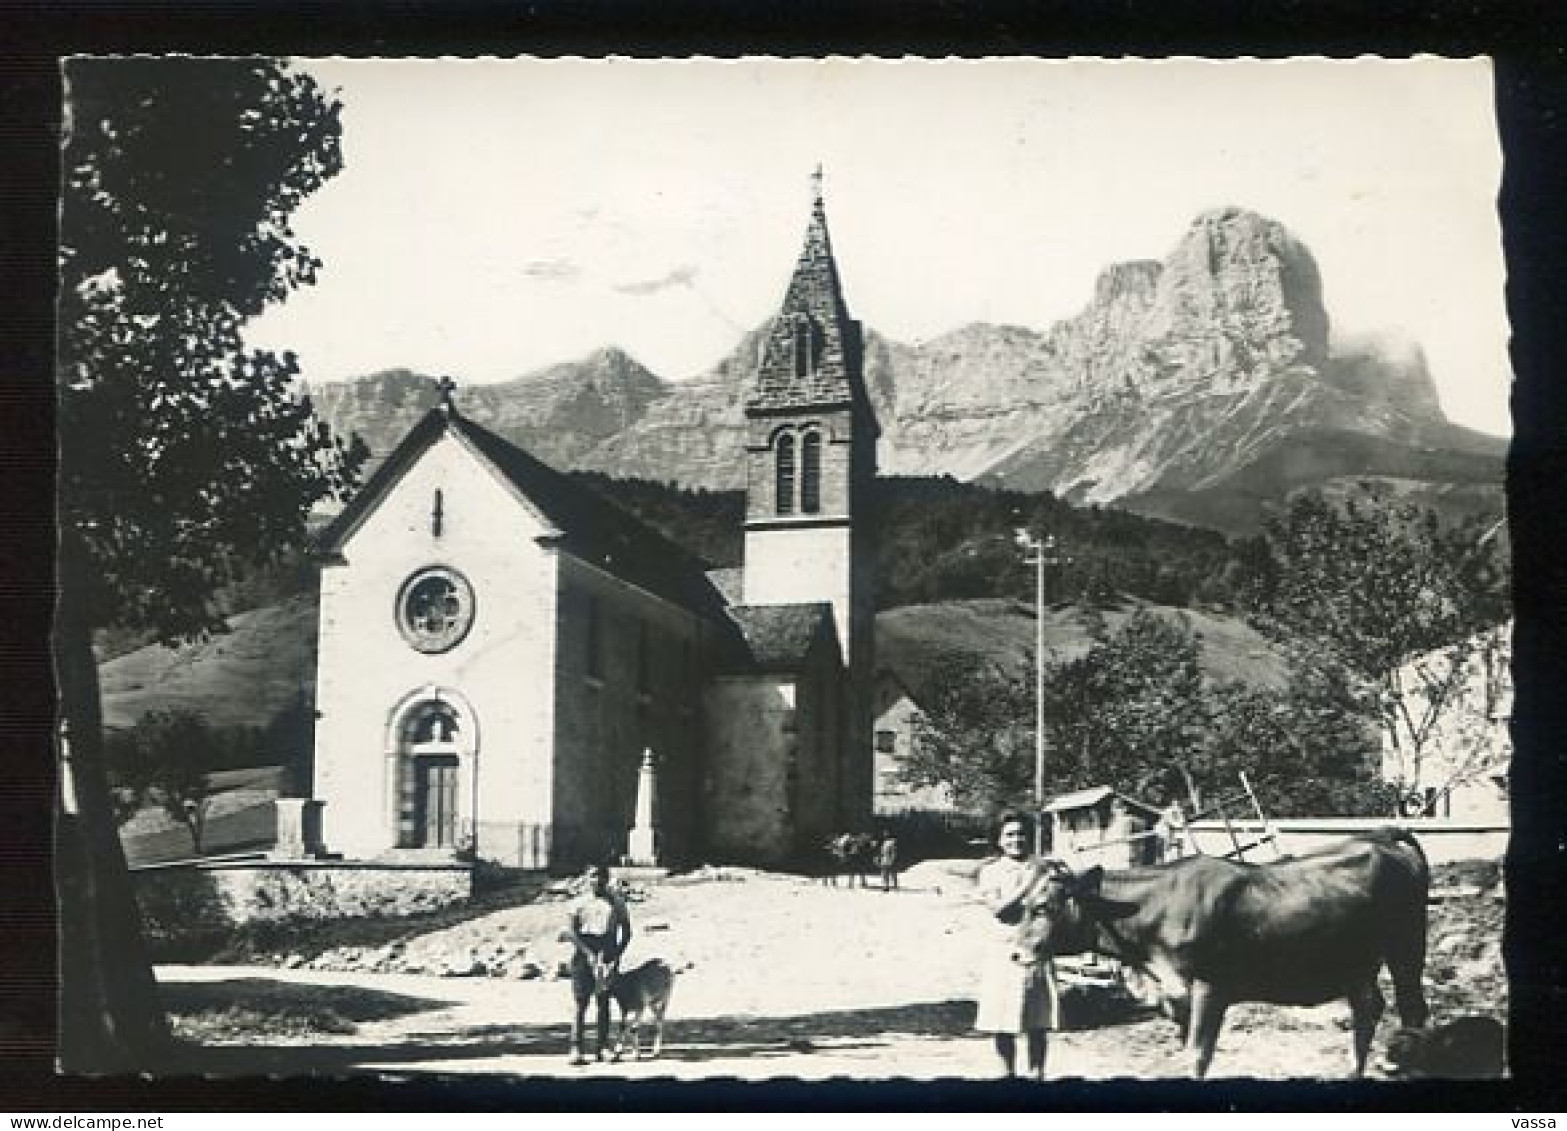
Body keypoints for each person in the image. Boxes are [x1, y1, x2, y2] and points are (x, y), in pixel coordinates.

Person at [974, 810, 1060, 1079]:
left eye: (1021, 834)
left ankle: (1037, 1076)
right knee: (1002, 1021)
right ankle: (1006, 1075)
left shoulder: (1045, 869)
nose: (1016, 840)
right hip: (1003, 951)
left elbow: (1054, 908)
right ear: (999, 840)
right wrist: (1029, 885)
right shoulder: (990, 872)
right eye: (1009, 835)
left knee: (1038, 1022)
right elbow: (1000, 910)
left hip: (1036, 950)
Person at [567, 862, 633, 1065]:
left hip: (607, 951)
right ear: (587, 879)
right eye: (593, 876)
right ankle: (576, 1047)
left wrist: (616, 956)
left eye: (601, 876)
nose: (597, 881)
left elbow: (627, 931)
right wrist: (587, 954)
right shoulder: (577, 904)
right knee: (581, 1003)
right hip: (584, 951)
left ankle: (602, 1047)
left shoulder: (616, 903)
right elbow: (572, 933)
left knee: (603, 1002)